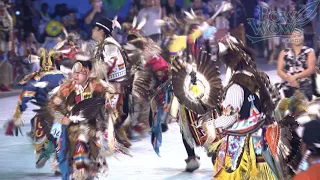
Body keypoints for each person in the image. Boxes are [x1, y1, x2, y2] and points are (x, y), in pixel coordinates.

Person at [207, 35, 281, 179]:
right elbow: (275, 100)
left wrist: (211, 124)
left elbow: (230, 118)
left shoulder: (236, 85)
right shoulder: (261, 76)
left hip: (243, 144)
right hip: (265, 140)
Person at [5, 48, 65, 174]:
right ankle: (58, 164)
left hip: (45, 114)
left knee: (38, 133)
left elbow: (25, 96)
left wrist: (18, 113)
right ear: (54, 63)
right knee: (62, 138)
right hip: (62, 113)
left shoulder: (38, 77)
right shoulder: (62, 75)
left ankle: (41, 154)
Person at [92, 17, 132, 147]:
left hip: (115, 87)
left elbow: (108, 64)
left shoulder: (109, 45)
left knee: (111, 114)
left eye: (95, 29)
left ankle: (110, 136)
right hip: (110, 85)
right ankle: (116, 134)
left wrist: (92, 74)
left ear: (101, 31)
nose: (92, 31)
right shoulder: (102, 44)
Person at [277, 28, 316, 100]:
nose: (296, 38)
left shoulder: (309, 51)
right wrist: (290, 80)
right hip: (288, 87)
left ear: (303, 37)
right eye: (294, 36)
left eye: (299, 36)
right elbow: (279, 71)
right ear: (290, 38)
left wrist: (295, 77)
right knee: (290, 109)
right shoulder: (284, 52)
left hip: (305, 87)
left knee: (304, 110)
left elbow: (311, 69)